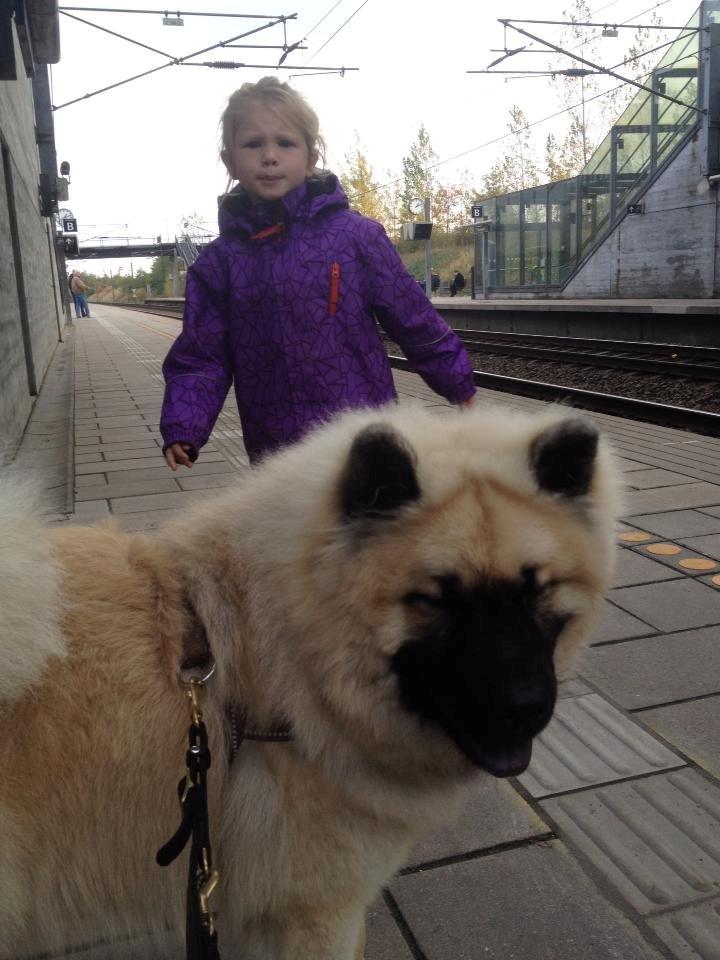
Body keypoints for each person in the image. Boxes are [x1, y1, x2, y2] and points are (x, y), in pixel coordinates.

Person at [161, 76, 476, 470]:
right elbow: (202, 356)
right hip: (276, 443)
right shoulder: (219, 263)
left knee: (375, 525)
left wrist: (456, 380)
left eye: (285, 143)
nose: (270, 156)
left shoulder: (356, 238)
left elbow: (413, 318)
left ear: (311, 157)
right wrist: (183, 426)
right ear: (230, 160)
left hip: (365, 433)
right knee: (291, 529)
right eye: (253, 144)